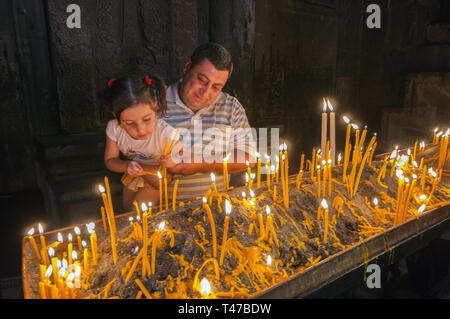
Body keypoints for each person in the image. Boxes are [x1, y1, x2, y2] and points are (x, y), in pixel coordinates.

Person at [163, 42, 256, 200]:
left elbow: (248, 157)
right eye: (202, 80)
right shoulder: (155, 103)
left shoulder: (231, 107)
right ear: (187, 66)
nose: (205, 92)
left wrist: (202, 164)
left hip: (214, 211)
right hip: (162, 213)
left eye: (216, 87)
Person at [103, 74, 183, 210]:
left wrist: (173, 159)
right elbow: (110, 160)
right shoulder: (114, 128)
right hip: (131, 177)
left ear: (155, 107)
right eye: (129, 123)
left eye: (147, 120)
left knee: (138, 217)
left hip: (154, 182)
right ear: (115, 114)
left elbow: (181, 154)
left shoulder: (166, 134)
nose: (140, 129)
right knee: (126, 215)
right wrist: (126, 166)